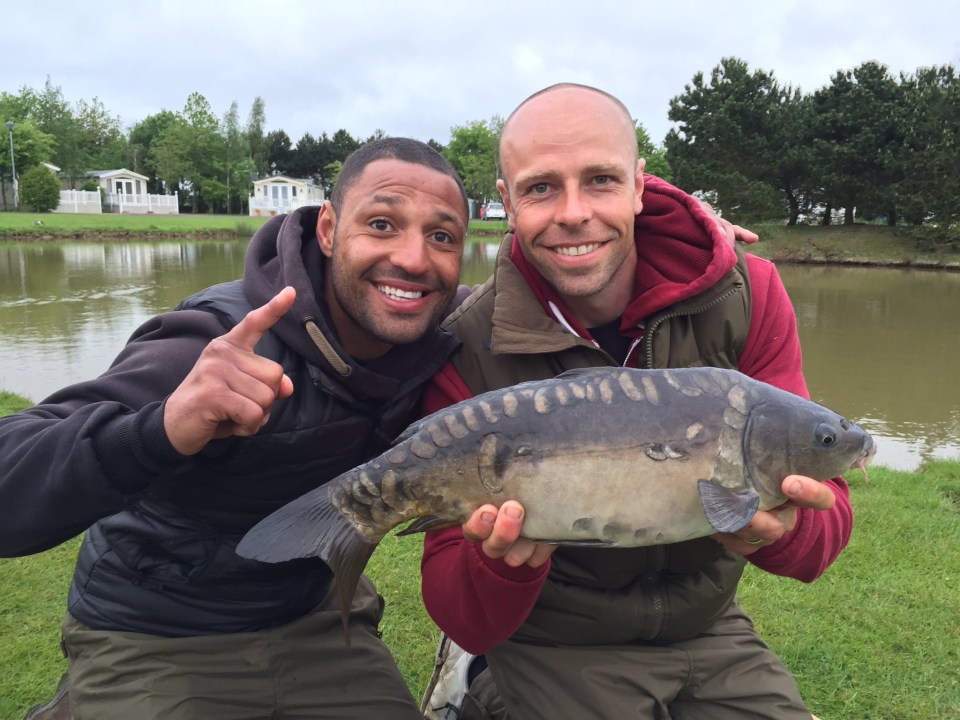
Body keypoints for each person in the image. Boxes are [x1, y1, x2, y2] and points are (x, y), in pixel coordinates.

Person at [419, 84, 852, 720]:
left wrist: (783, 531)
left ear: (640, 185)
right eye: (541, 188)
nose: (573, 212)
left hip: (707, 628)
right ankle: (469, 683)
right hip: (552, 637)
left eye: (600, 180)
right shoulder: (465, 343)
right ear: (506, 203)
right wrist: (504, 568)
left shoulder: (748, 293)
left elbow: (825, 522)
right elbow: (458, 604)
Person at [0, 137, 471, 719]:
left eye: (442, 236)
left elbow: (544, 300)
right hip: (154, 627)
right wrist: (162, 428)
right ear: (327, 229)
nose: (413, 258)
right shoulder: (214, 339)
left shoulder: (441, 333)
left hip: (313, 617)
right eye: (381, 223)